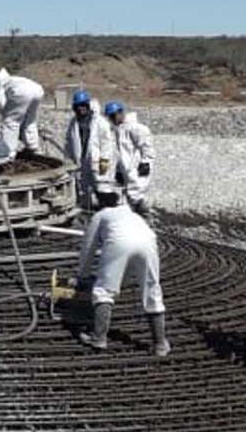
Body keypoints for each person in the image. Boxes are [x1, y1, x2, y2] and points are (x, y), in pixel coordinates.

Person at [74, 188, 170, 355]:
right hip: (148, 243)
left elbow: (88, 249)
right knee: (152, 291)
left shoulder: (100, 216)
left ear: (99, 202)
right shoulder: (133, 215)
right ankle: (160, 344)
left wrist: (82, 276)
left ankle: (99, 338)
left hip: (119, 243)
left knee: (103, 291)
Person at [62, 89, 115, 212]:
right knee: (82, 188)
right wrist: (68, 160)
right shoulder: (73, 123)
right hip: (81, 161)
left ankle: (107, 211)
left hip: (97, 161)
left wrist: (104, 160)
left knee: (102, 186)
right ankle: (86, 212)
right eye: (78, 106)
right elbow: (69, 142)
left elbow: (106, 143)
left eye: (83, 105)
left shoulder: (100, 122)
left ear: (88, 105)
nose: (81, 109)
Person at [105, 100, 156, 213]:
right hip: (126, 168)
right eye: (110, 117)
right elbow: (120, 153)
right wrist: (119, 170)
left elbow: (146, 146)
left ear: (121, 113)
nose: (112, 119)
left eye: (114, 116)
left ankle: (145, 214)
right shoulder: (118, 129)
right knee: (129, 194)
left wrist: (146, 162)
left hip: (136, 166)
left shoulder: (136, 128)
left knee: (137, 192)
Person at [0, 67, 46, 158]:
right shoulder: (13, 80)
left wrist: (3, 114)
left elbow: (2, 106)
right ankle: (33, 146)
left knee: (11, 122)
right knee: (30, 120)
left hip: (21, 92)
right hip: (38, 90)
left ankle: (8, 152)